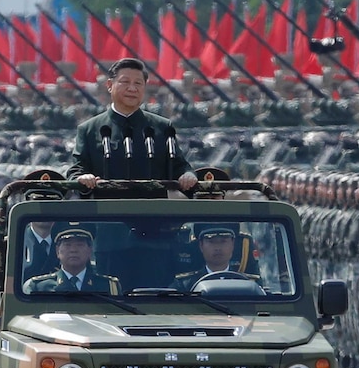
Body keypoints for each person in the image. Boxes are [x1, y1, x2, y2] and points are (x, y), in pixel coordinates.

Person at [67, 57, 198, 190]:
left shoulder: (162, 127)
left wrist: (187, 175)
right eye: (125, 82)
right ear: (109, 85)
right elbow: (77, 170)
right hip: (106, 207)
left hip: (154, 207)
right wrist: (83, 178)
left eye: (138, 83)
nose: (132, 88)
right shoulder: (90, 129)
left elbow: (179, 166)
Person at [173, 167, 261, 276]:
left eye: (214, 197)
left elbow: (254, 281)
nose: (210, 203)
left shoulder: (243, 242)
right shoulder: (182, 238)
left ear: (223, 199)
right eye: (203, 198)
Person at [24, 228, 121, 294]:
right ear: (57, 251)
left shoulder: (108, 286)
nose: (73, 250)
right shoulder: (39, 287)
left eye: (80, 245)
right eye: (67, 245)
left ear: (89, 251)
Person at [171, 226, 260, 291]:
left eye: (223, 241)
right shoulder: (185, 285)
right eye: (211, 241)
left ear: (233, 244)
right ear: (201, 246)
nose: (218, 248)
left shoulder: (248, 286)